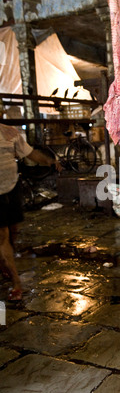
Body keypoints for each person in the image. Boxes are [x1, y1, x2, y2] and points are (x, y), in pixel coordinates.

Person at [0, 123, 62, 301]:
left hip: (12, 187)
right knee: (3, 235)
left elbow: (30, 152)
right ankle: (16, 283)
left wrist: (49, 161)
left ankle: (4, 263)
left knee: (13, 231)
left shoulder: (9, 132)